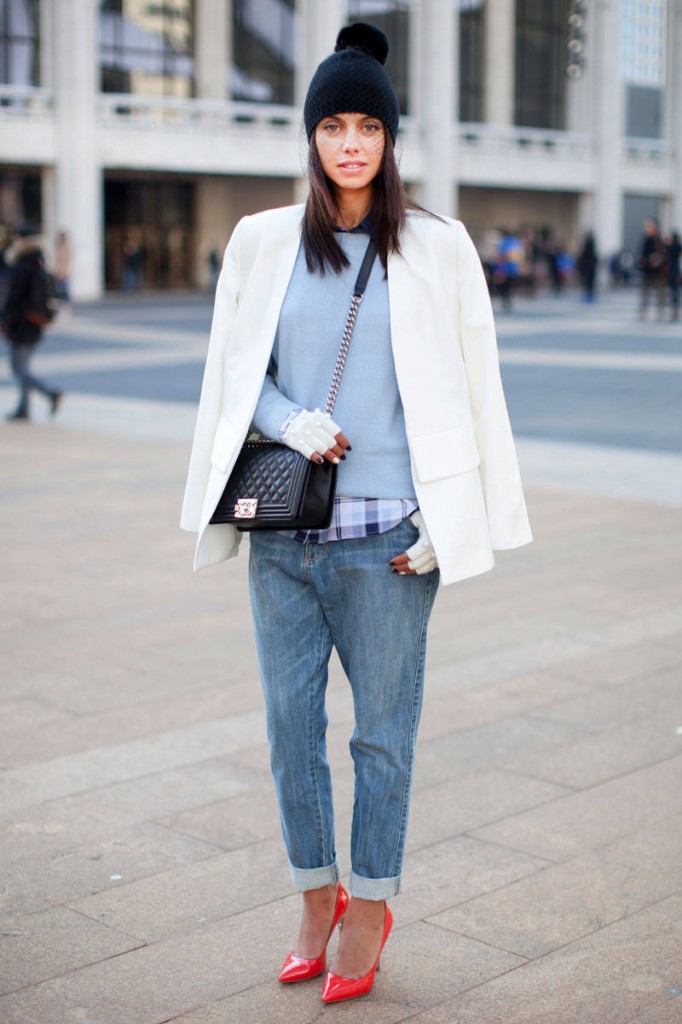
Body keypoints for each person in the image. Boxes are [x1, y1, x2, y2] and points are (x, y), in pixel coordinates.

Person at [181, 23, 532, 1005]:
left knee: (382, 734)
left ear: (387, 139)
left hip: (387, 547)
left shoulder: (435, 246)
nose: (348, 142)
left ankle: (371, 904)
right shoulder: (260, 244)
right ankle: (313, 892)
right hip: (286, 539)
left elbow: (470, 387)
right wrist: (292, 420)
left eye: (364, 124)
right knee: (290, 729)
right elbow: (231, 381)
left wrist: (443, 518)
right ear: (311, 138)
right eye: (331, 124)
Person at [1, 222, 64, 421]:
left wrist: (3, 318)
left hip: (21, 323)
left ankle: (50, 393)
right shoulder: (39, 260)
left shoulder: (23, 262)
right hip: (35, 322)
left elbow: (15, 295)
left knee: (18, 368)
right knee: (24, 367)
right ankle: (24, 408)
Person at [638, 217, 666, 320]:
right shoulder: (645, 239)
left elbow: (664, 254)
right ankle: (642, 312)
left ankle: (660, 312)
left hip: (658, 271)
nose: (647, 229)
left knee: (660, 293)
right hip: (647, 270)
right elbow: (641, 254)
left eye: (650, 226)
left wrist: (658, 259)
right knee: (644, 292)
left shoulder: (659, 240)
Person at [576, 230, 598, 302]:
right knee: (588, 281)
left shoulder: (589, 244)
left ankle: (588, 293)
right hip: (588, 266)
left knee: (588, 281)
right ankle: (588, 293)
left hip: (588, 266)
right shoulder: (589, 244)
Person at [664, 230, 681, 321]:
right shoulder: (678, 246)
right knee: (675, 292)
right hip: (675, 271)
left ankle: (674, 312)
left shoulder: (671, 247)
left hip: (671, 271)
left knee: (673, 292)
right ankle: (674, 312)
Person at [54, 229, 72, 303]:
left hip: (64, 272)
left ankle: (65, 304)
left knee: (64, 290)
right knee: (59, 290)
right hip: (60, 271)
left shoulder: (66, 247)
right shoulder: (59, 247)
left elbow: (65, 261)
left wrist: (61, 271)